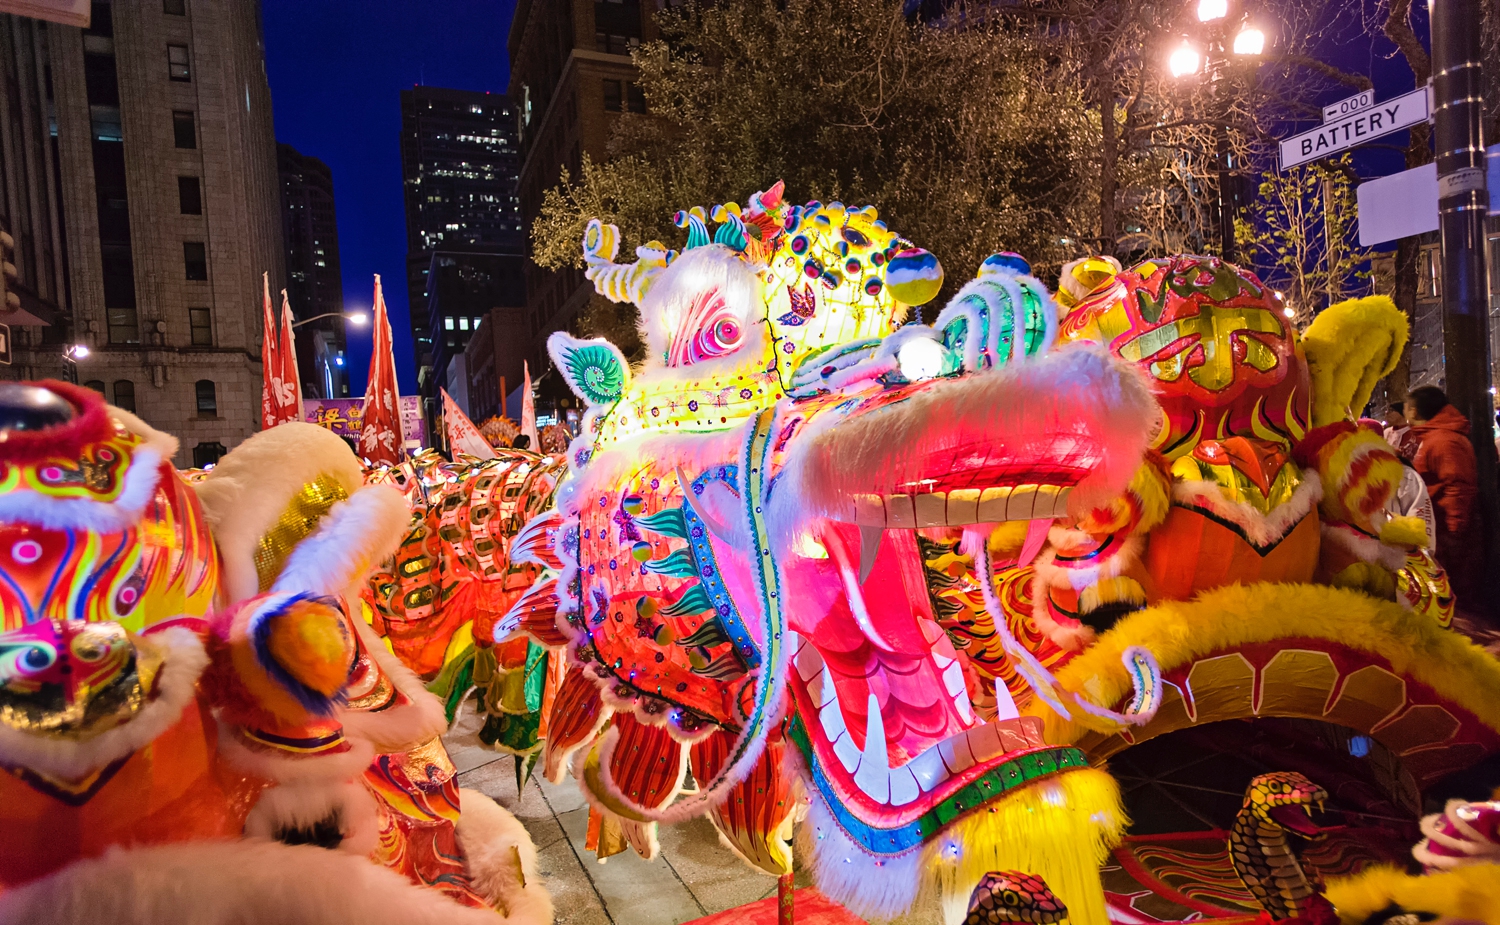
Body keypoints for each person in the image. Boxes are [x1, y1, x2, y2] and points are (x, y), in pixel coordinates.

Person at [1408, 386, 1483, 612]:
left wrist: (1453, 531)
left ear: (1414, 411)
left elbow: (1457, 487)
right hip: (1439, 529)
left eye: (1406, 407)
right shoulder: (1433, 437)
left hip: (1448, 532)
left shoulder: (1444, 441)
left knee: (1455, 599)